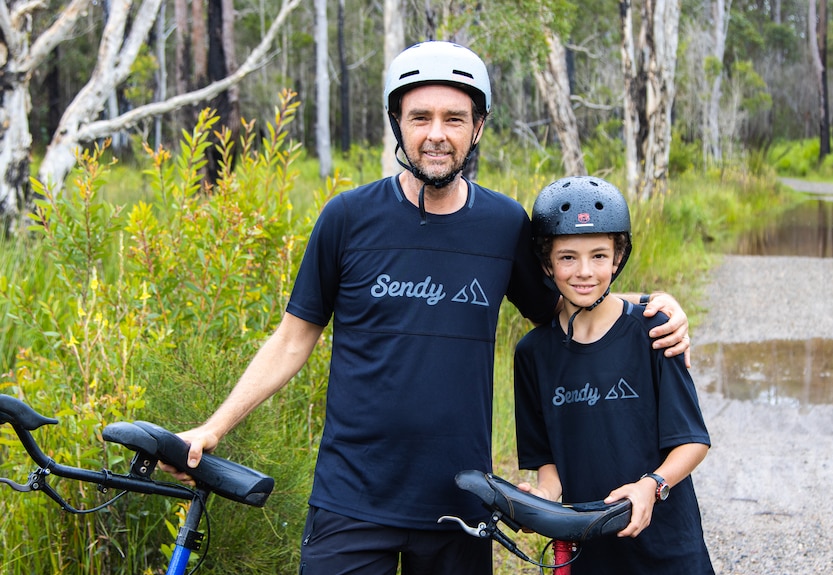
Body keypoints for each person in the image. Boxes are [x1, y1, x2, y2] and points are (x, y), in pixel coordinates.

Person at [162, 43, 691, 575]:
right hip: (351, 500)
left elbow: (569, 308)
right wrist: (212, 428)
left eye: (454, 118)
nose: (436, 133)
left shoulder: (504, 225)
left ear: (477, 127)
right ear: (398, 122)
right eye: (420, 117)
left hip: (459, 505)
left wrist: (648, 305)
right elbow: (292, 339)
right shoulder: (347, 219)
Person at [514, 176, 713, 574]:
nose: (584, 272)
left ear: (618, 258)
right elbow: (549, 462)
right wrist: (541, 499)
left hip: (669, 547)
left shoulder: (652, 331)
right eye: (568, 257)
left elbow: (693, 442)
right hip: (592, 552)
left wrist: (651, 485)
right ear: (546, 264)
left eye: (599, 256)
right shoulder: (533, 354)